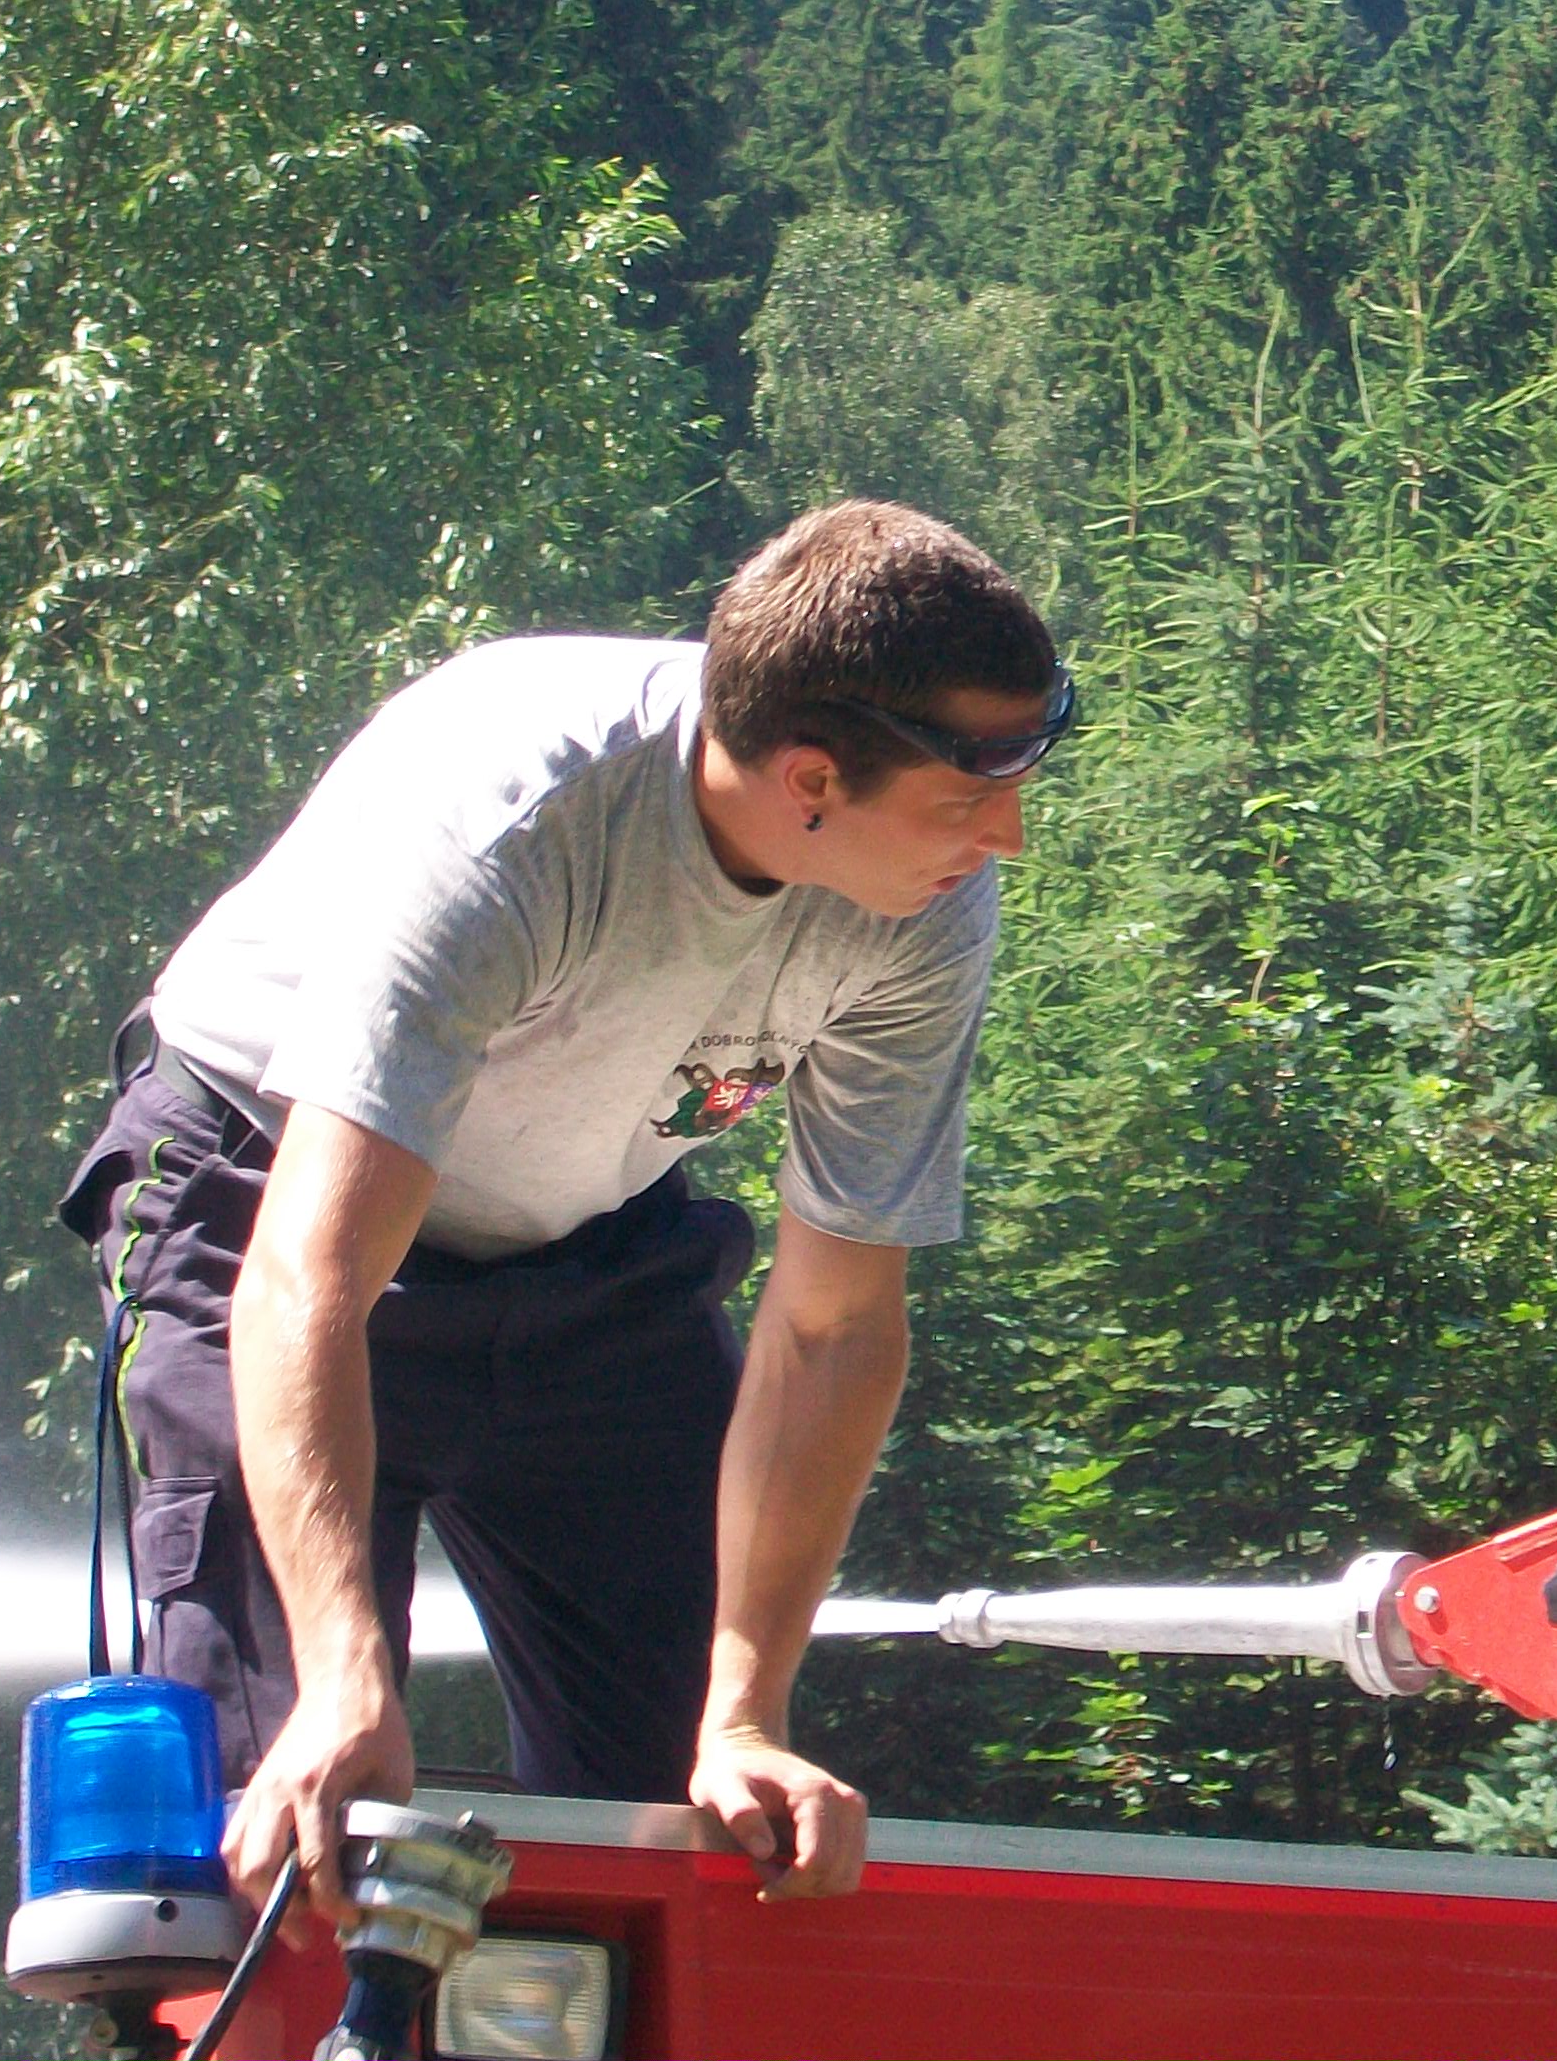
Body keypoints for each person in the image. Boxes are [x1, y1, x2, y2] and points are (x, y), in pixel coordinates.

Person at [56, 500, 1071, 1929]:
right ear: (810, 778)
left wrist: (746, 1711)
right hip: (263, 1197)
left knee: (708, 1825)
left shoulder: (925, 904)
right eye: (975, 794)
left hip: (589, 1244)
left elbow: (834, 1326)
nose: (1009, 837)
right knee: (301, 1805)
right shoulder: (517, 820)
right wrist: (343, 1676)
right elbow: (311, 1274)